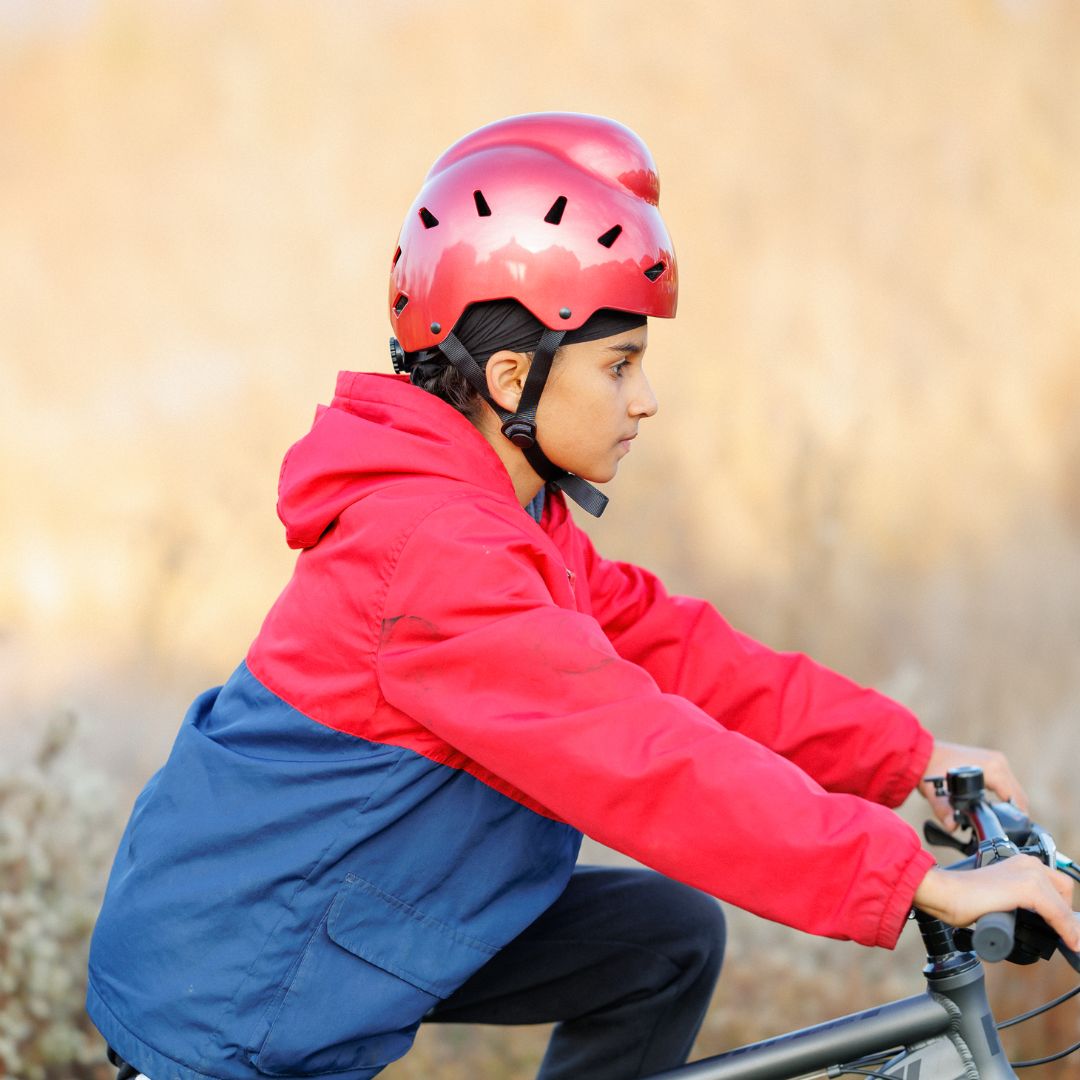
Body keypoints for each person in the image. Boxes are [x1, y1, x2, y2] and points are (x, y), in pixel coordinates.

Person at [87, 112, 1079, 1080]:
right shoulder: (437, 554)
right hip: (239, 998)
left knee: (662, 942)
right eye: (620, 364)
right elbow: (643, 759)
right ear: (513, 376)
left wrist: (902, 756)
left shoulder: (502, 518)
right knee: (666, 921)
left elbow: (672, 652)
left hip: (347, 914)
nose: (644, 398)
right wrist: (913, 879)